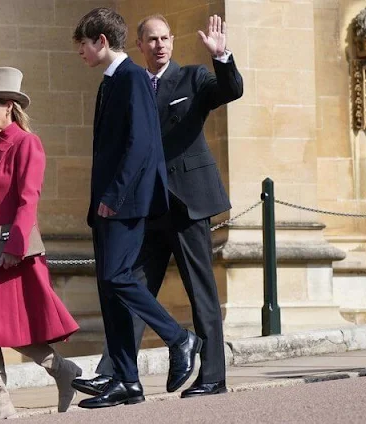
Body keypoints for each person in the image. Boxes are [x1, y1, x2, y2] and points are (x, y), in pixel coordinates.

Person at [72, 14, 243, 399]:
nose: (160, 45)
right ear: (139, 45)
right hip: (146, 204)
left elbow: (231, 91)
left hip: (186, 202)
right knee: (130, 286)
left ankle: (213, 376)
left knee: (201, 292)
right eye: (152, 39)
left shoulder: (193, 78)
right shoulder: (131, 80)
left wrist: (223, 57)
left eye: (166, 38)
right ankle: (118, 374)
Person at [0, 67, 82, 421]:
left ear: (10, 106)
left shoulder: (28, 143)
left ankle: (61, 370)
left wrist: (14, 247)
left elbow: (29, 199)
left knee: (9, 325)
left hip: (13, 249)